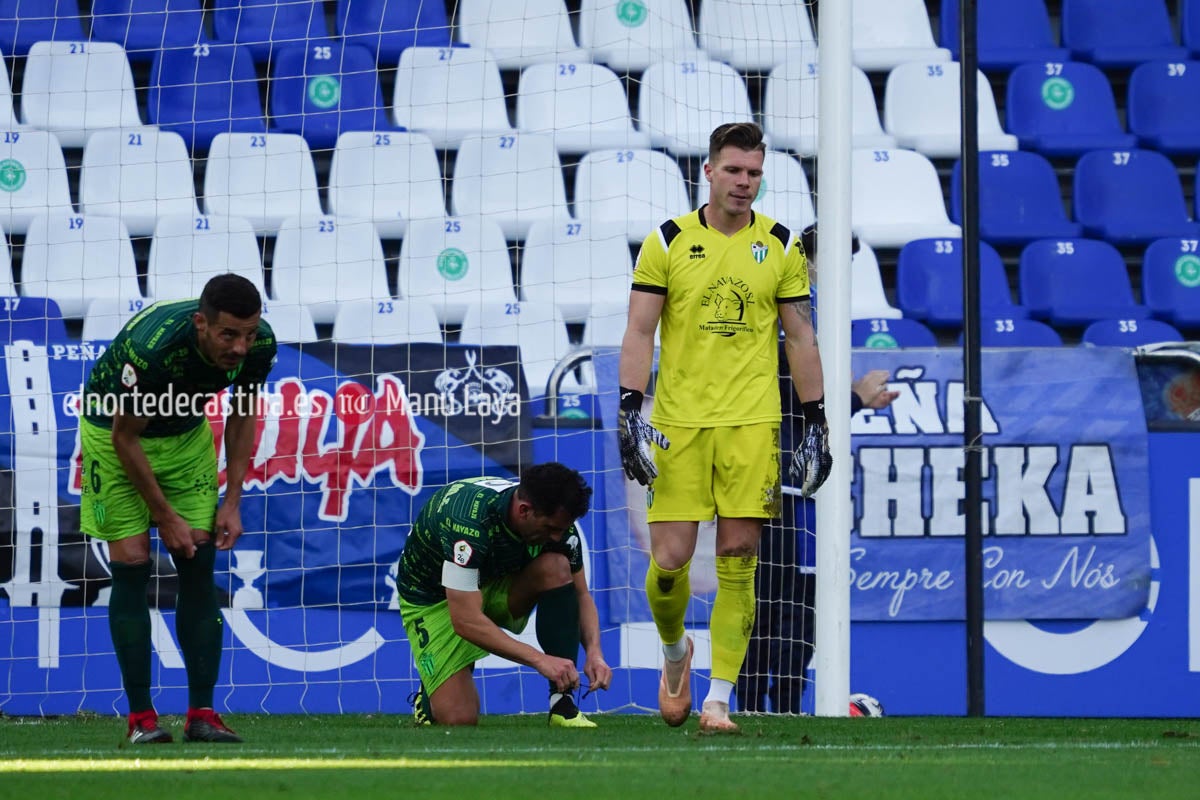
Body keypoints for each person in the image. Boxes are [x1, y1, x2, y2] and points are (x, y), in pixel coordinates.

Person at [617, 121, 832, 733]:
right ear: (708, 171)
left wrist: (815, 420)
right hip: (679, 423)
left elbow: (801, 336)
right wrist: (631, 410)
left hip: (752, 423)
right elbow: (639, 331)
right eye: (734, 170)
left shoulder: (783, 245)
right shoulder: (667, 241)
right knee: (669, 563)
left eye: (755, 172)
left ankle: (719, 698)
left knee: (740, 555)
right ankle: (674, 652)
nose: (745, 182)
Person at [80, 274, 277, 744]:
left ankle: (202, 715)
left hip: (186, 438)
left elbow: (242, 413)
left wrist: (232, 501)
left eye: (248, 334)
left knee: (198, 559)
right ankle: (141, 720)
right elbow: (124, 437)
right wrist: (165, 517)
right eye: (228, 335)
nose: (240, 347)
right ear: (200, 324)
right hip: (115, 437)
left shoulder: (260, 344)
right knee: (132, 565)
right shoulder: (154, 353)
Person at [395, 463, 612, 727]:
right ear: (524, 511)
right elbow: (464, 621)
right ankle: (429, 694)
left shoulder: (557, 526)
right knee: (459, 719)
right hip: (435, 599)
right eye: (550, 528)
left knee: (556, 567)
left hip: (493, 581)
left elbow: (581, 595)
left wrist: (594, 652)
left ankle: (562, 703)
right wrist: (539, 660)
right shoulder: (467, 525)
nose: (557, 536)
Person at [737, 371, 899, 714]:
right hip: (773, 498)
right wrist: (854, 399)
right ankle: (752, 708)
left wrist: (852, 398)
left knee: (794, 618)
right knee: (768, 613)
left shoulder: (795, 353)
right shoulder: (776, 355)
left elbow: (811, 418)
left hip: (802, 504)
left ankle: (781, 710)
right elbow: (800, 413)